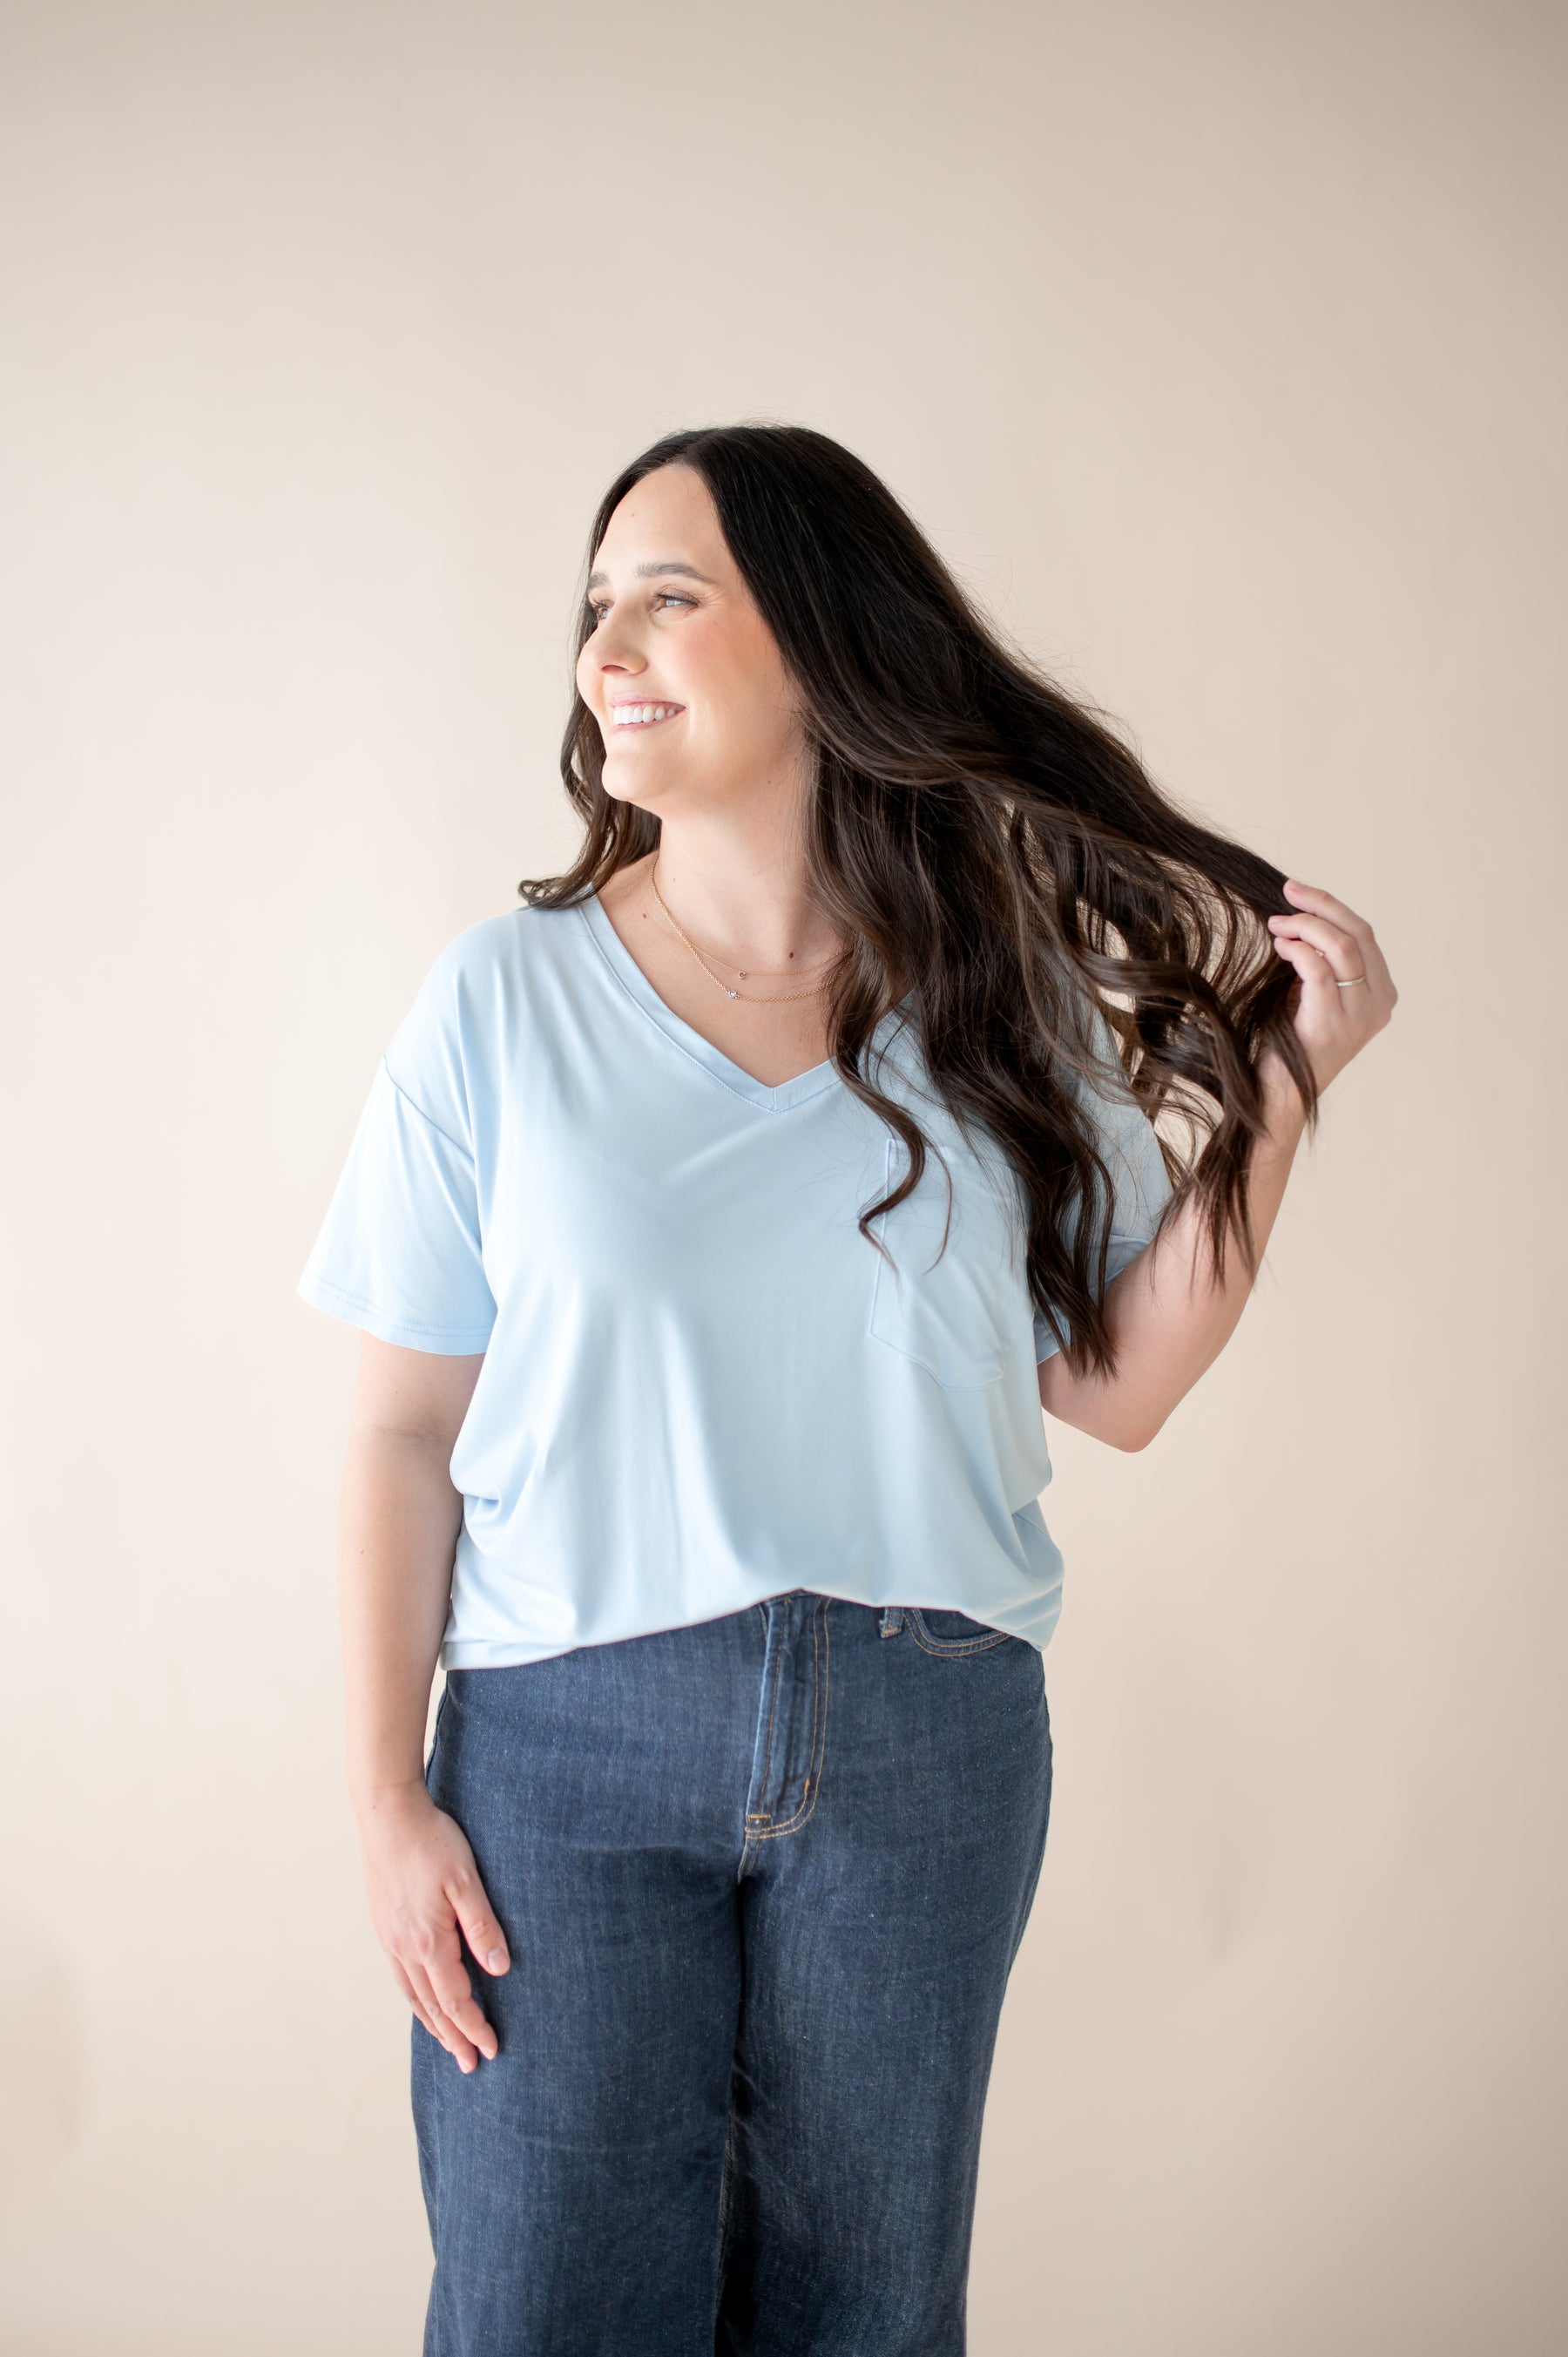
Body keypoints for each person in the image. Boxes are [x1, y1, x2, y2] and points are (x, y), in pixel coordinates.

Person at [298, 423, 1395, 2356]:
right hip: (568, 1754)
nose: (607, 648)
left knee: (867, 2319)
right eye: (594, 606)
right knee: (549, 2304)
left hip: (926, 1750)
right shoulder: (502, 1002)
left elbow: (1118, 1387)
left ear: (815, 642)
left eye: (671, 595)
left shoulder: (1002, 1008)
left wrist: (1290, 1087)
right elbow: (404, 1428)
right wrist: (386, 1795)